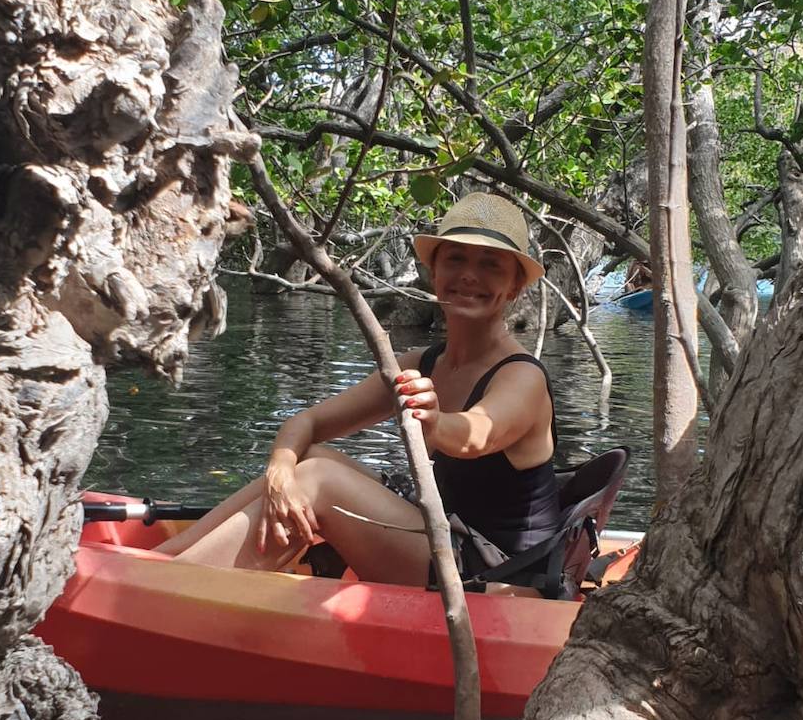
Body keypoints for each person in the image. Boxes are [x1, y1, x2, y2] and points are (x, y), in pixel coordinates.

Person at [156, 192, 562, 588]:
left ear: (514, 288)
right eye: (455, 259)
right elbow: (308, 422)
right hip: (445, 533)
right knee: (308, 457)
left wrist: (436, 423)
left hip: (501, 575)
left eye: (491, 265)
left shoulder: (522, 377)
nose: (469, 275)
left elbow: (475, 435)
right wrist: (279, 472)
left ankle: (166, 592)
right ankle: (164, 560)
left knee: (318, 479)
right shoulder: (419, 363)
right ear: (434, 273)